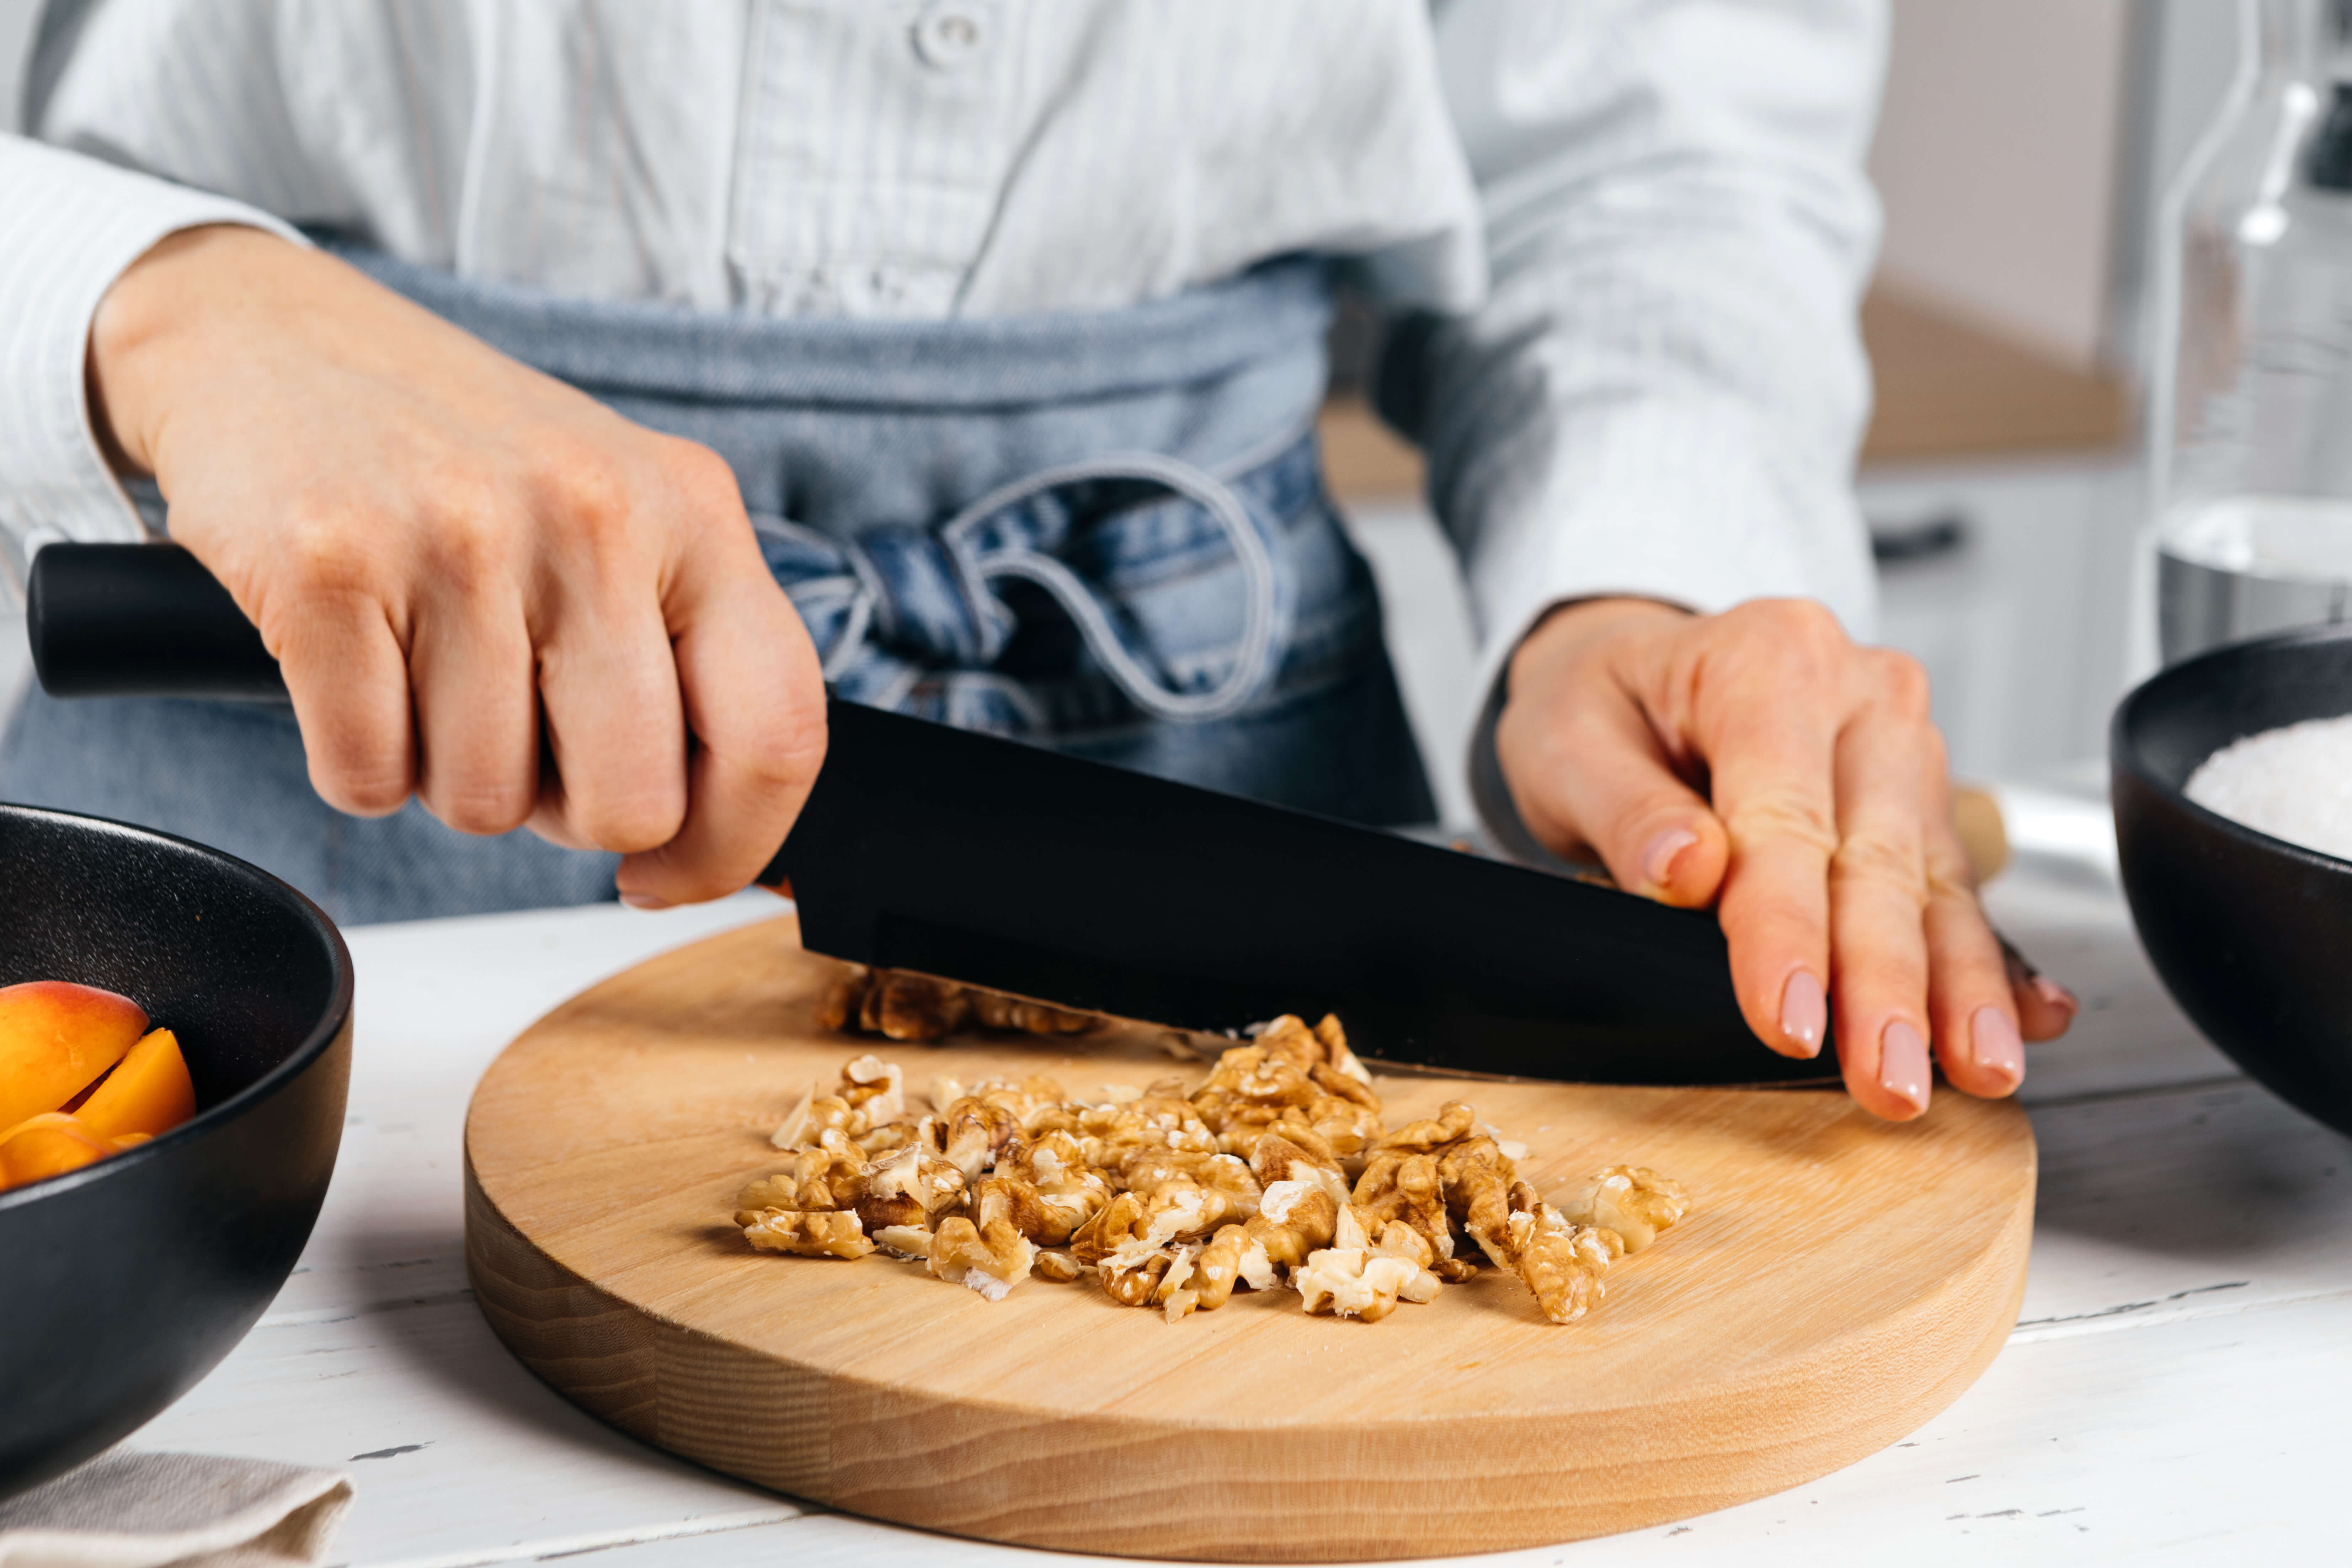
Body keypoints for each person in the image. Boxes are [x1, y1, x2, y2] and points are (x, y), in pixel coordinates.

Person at [0, 0, 2075, 1120]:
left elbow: (1648, 156)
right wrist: (164, 308)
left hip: (1221, 774)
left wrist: (1642, 569)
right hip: (292, 757)